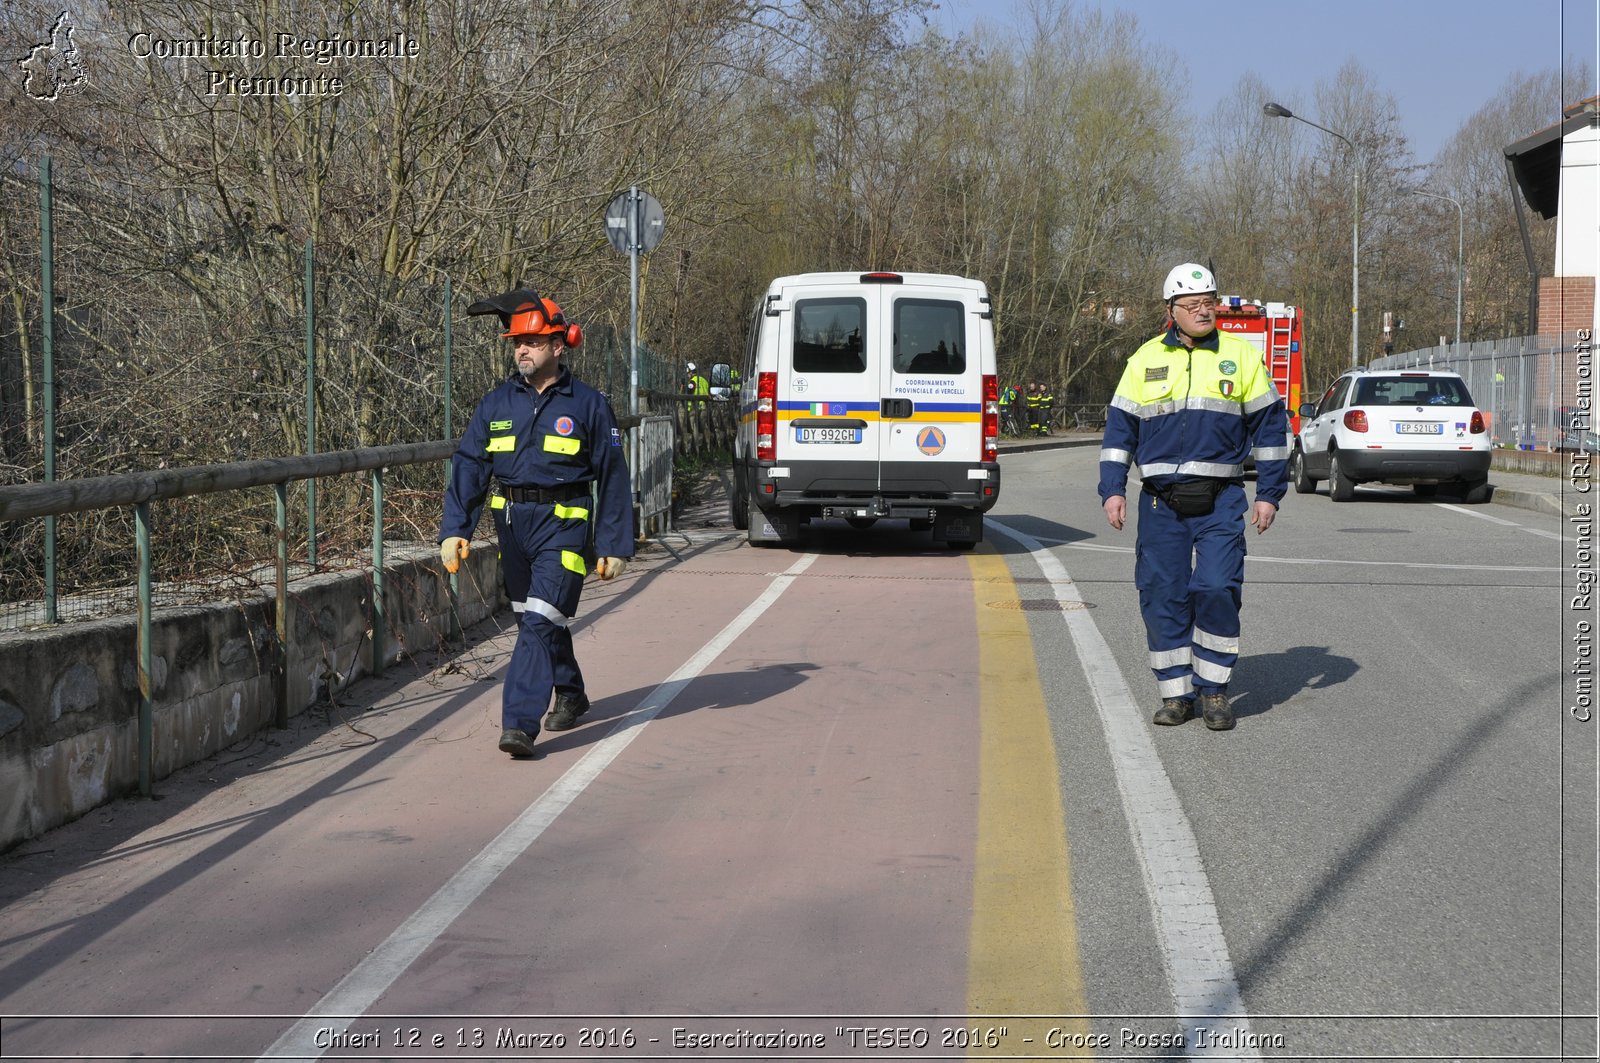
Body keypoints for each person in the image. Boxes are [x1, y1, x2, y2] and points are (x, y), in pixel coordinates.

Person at [439, 287, 634, 759]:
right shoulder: (496, 404)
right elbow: (470, 464)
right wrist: (454, 528)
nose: (521, 350)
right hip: (513, 525)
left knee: (539, 621)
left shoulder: (588, 404)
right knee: (536, 617)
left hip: (565, 525)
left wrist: (614, 543)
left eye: (531, 342)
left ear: (558, 344)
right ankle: (570, 692)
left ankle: (520, 723)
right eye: (515, 343)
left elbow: (611, 476)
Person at [1097, 263, 1289, 731]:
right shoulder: (1142, 361)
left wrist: (1269, 494)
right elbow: (1120, 431)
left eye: (1210, 302)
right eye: (1194, 304)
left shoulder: (1241, 357)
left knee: (1217, 586)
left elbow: (1269, 429)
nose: (1205, 311)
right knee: (1163, 593)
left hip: (1222, 497)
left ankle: (1215, 690)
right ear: (1172, 311)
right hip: (1161, 500)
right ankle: (1176, 694)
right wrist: (1113, 489)